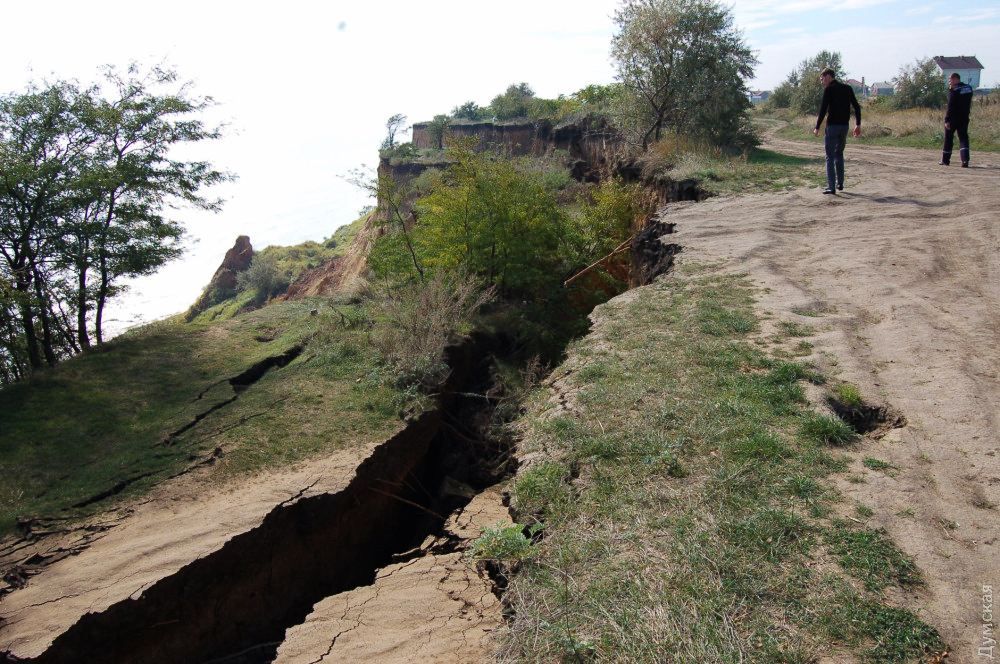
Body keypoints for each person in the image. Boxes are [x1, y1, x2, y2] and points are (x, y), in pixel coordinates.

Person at [812, 68, 862, 194]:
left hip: (832, 127)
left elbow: (823, 110)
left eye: (822, 79)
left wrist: (817, 127)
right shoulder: (847, 88)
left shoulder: (829, 89)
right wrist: (858, 124)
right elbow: (856, 107)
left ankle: (831, 187)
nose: (822, 82)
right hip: (844, 127)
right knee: (839, 154)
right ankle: (840, 183)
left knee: (829, 156)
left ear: (828, 76)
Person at [941, 72, 974, 167]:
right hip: (964, 117)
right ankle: (965, 160)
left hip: (953, 118)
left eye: (950, 80)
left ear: (955, 79)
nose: (949, 82)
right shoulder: (969, 88)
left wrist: (947, 120)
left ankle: (945, 160)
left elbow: (950, 106)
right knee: (963, 138)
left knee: (948, 138)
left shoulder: (954, 90)